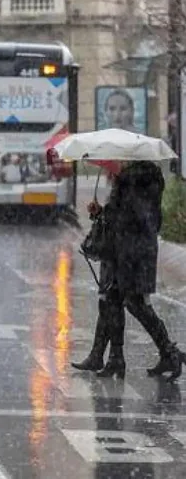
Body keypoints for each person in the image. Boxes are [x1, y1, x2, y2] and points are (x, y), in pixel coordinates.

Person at [72, 161, 185, 380]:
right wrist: (103, 213)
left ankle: (165, 353)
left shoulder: (131, 180)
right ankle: (110, 357)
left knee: (129, 302)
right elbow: (137, 217)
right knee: (112, 300)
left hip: (128, 252)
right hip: (134, 250)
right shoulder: (144, 179)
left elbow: (129, 218)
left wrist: (103, 214)